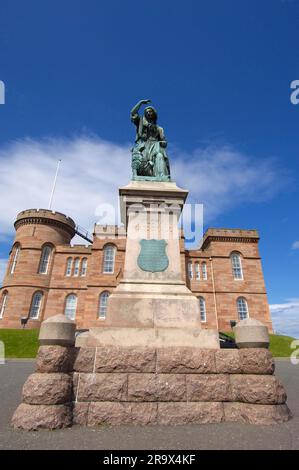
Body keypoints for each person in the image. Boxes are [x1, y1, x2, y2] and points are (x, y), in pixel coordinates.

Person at [130, 99, 171, 179]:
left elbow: (164, 141)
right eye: (147, 112)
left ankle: (161, 175)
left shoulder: (159, 129)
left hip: (155, 146)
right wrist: (140, 103)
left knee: (159, 155)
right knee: (141, 161)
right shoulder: (140, 123)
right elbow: (133, 113)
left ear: (154, 114)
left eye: (150, 111)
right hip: (144, 146)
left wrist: (162, 143)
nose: (149, 113)